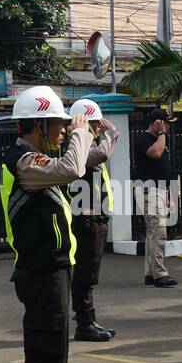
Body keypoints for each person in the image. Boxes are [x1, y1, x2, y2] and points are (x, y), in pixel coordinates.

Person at [0, 86, 91, 363]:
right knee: (45, 359)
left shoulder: (38, 158)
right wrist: (81, 132)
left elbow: (85, 160)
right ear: (37, 124)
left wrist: (89, 134)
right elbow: (74, 167)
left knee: (54, 358)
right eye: (55, 125)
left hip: (52, 272)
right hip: (40, 275)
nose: (61, 131)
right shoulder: (24, 162)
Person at [67, 98, 119, 342]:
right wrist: (111, 135)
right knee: (85, 272)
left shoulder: (86, 143)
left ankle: (88, 319)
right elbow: (101, 154)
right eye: (96, 123)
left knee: (90, 271)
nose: (100, 127)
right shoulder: (79, 147)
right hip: (85, 218)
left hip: (95, 216)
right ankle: (84, 323)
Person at [134, 106, 177, 287]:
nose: (168, 127)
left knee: (153, 234)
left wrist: (168, 194)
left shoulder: (159, 140)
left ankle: (151, 273)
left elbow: (162, 168)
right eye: (166, 123)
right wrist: (161, 134)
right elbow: (155, 153)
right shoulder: (144, 139)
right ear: (158, 123)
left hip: (158, 189)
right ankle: (160, 274)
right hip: (149, 190)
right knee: (158, 233)